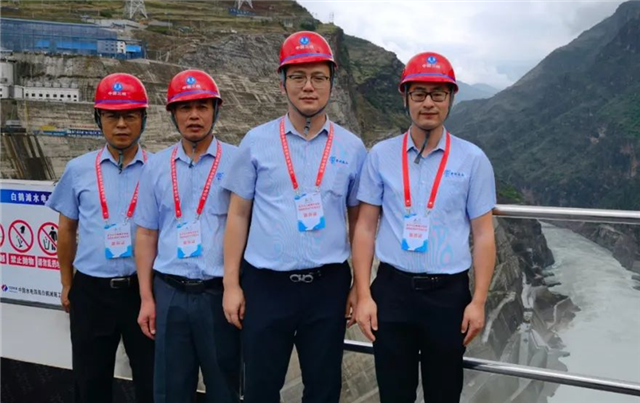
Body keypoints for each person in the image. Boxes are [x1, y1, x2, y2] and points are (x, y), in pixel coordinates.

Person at [221, 31, 368, 403]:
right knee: (260, 388)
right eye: (298, 76)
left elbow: (359, 222)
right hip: (266, 286)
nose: (308, 86)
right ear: (282, 82)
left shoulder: (352, 148)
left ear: (332, 83)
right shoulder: (256, 141)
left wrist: (359, 286)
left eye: (319, 77)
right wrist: (231, 284)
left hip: (328, 287)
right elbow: (238, 215)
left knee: (323, 389)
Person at [352, 52, 497, 403]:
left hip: (448, 297)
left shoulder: (473, 159)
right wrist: (364, 295)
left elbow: (483, 234)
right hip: (392, 292)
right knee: (394, 393)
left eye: (438, 94)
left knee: (444, 393)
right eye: (419, 94)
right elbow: (365, 228)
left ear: (451, 98)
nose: (428, 103)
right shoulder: (380, 155)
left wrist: (478, 301)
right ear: (405, 97)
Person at [46, 73, 154, 403]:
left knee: (151, 379)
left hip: (143, 291)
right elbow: (67, 229)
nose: (121, 124)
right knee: (90, 382)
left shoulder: (158, 169)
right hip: (91, 291)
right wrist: (67, 283)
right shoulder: (78, 169)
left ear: (143, 119)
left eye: (130, 115)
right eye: (111, 116)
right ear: (98, 118)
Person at [134, 69, 240, 403]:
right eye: (185, 108)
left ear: (215, 111)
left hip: (218, 294)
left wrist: (236, 288)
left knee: (224, 387)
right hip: (170, 293)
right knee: (171, 389)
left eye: (202, 107)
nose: (194, 115)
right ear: (173, 114)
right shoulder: (156, 166)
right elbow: (146, 233)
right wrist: (147, 297)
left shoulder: (238, 162)